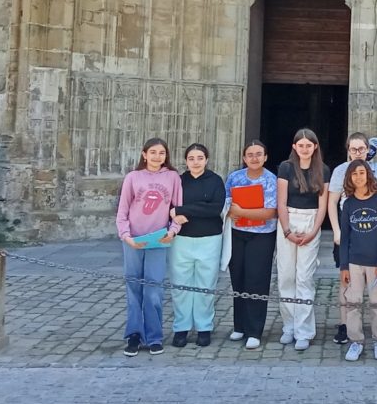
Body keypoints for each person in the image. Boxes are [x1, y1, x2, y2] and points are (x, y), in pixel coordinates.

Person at [328, 132, 377, 344]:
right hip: (348, 230)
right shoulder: (341, 170)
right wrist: (336, 231)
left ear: (367, 150)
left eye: (361, 149)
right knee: (347, 282)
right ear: (348, 149)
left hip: (372, 233)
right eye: (353, 149)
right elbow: (332, 202)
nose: (357, 153)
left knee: (376, 284)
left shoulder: (375, 169)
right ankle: (345, 326)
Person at [116, 137, 182, 356]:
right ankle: (134, 335)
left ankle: (154, 336)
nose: (157, 157)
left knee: (153, 290)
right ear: (144, 154)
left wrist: (172, 231)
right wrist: (126, 236)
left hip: (158, 240)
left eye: (161, 153)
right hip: (134, 240)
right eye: (152, 152)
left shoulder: (172, 177)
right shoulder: (133, 177)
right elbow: (123, 211)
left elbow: (178, 209)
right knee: (134, 288)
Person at [276, 128, 331, 351]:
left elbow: (323, 205)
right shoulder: (286, 168)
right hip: (288, 221)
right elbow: (281, 201)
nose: (305, 149)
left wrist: (314, 230)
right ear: (294, 146)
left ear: (315, 147)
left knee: (304, 278)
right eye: (301, 145)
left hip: (311, 222)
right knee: (286, 276)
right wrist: (287, 230)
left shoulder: (323, 170)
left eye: (309, 145)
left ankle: (304, 331)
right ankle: (289, 326)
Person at [223, 140, 279, 349]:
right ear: (244, 157)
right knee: (238, 278)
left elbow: (270, 212)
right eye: (250, 154)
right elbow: (226, 203)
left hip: (261, 236)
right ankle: (240, 326)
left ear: (265, 157)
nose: (254, 158)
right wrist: (230, 213)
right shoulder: (234, 177)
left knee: (257, 280)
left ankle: (255, 330)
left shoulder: (270, 180)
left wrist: (241, 212)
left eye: (259, 154)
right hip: (237, 234)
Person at [169, 143, 225, 348]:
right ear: (186, 160)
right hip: (182, 239)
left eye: (200, 158)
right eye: (191, 158)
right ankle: (181, 328)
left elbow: (214, 208)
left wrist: (184, 209)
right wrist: (178, 211)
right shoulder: (178, 181)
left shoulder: (215, 181)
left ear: (207, 159)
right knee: (180, 285)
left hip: (209, 239)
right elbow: (169, 206)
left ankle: (204, 328)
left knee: (205, 284)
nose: (196, 162)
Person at [339, 160, 377, 361]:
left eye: (362, 172)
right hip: (354, 262)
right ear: (350, 178)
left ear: (368, 175)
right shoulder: (349, 203)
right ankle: (355, 341)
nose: (358, 177)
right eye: (354, 174)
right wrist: (344, 265)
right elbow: (345, 238)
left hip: (375, 262)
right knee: (353, 302)